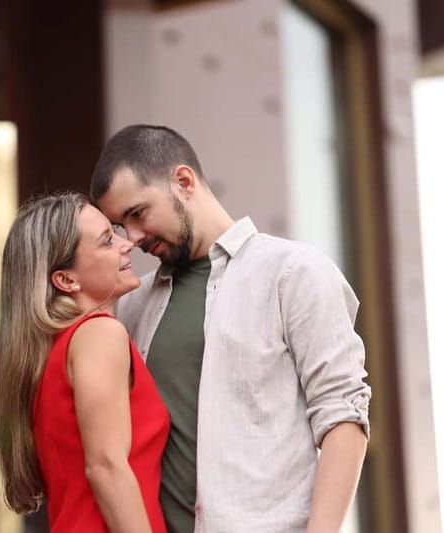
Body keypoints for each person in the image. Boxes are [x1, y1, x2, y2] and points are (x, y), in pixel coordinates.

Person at [90, 125, 371, 533]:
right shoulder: (132, 306)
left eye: (137, 214)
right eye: (120, 225)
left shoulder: (293, 273)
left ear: (183, 182)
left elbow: (344, 416)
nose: (131, 238)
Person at [0, 192, 170, 532]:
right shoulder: (100, 334)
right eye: (106, 241)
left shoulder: (57, 349)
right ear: (66, 280)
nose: (127, 244)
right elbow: (105, 466)